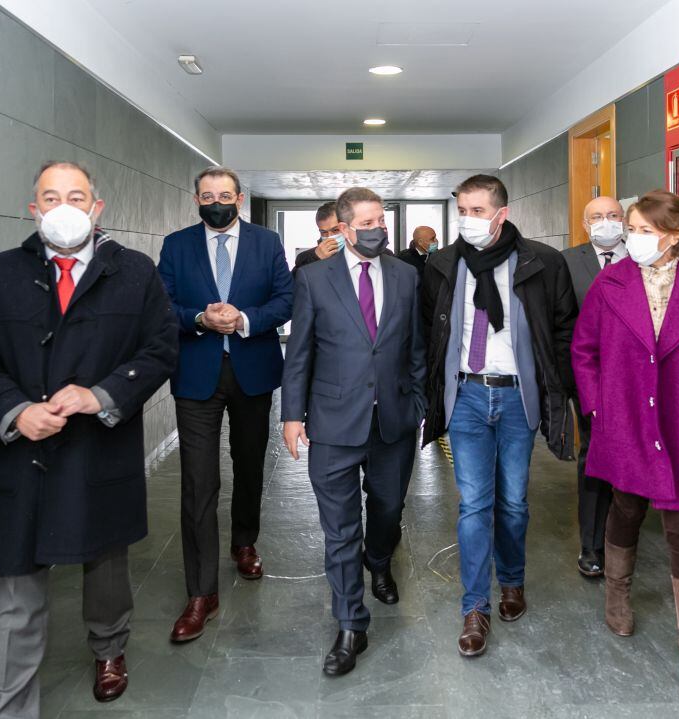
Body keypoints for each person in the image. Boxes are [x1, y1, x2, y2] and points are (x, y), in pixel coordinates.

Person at [0, 161, 178, 716]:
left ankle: (109, 649)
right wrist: (13, 410)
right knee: (17, 591)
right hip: (22, 453)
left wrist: (99, 395)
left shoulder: (135, 272)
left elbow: (160, 348)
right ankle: (7, 704)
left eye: (77, 196)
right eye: (50, 197)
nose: (64, 206)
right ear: (34, 209)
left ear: (97, 208)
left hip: (97, 449)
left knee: (105, 567)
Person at [571, 189, 679, 712]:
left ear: (672, 236)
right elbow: (584, 351)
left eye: (643, 230)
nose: (632, 238)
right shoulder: (610, 283)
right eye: (630, 229)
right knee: (625, 508)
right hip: (627, 420)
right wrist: (601, 409)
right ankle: (617, 592)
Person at [421, 174, 577, 657]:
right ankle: (475, 607)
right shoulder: (443, 265)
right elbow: (430, 331)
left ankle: (512, 581)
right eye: (461, 210)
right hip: (466, 394)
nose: (467, 220)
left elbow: (564, 329)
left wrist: (565, 393)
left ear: (501, 214)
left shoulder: (542, 263)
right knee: (473, 505)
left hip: (516, 398)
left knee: (513, 502)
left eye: (477, 211)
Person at [282, 187, 426, 676]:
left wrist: (419, 402)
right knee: (340, 529)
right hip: (333, 421)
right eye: (366, 223)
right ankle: (350, 624)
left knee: (387, 509)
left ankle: (380, 560)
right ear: (343, 229)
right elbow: (299, 351)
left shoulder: (406, 275)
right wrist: (292, 415)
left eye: (381, 220)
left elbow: (416, 346)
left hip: (393, 421)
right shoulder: (313, 278)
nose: (377, 229)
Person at [157, 167, 293, 644]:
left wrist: (244, 319)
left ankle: (244, 541)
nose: (216, 201)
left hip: (252, 368)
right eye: (207, 195)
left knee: (250, 463)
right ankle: (201, 593)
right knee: (198, 481)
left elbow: (285, 300)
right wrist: (198, 317)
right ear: (196, 198)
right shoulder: (176, 245)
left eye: (225, 195)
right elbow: (161, 304)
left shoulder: (265, 243)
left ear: (239, 198)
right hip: (196, 373)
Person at [561, 195, 629, 578]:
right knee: (595, 453)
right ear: (586, 224)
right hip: (590, 377)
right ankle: (592, 544)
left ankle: (625, 534)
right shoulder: (569, 262)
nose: (607, 222)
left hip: (638, 379)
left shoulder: (641, 256)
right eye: (597, 217)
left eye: (613, 215)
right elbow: (564, 322)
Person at [293, 201, 342, 274]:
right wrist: (315, 259)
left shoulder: (360, 253)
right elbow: (295, 283)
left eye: (336, 230)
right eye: (324, 232)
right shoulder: (305, 258)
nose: (330, 236)